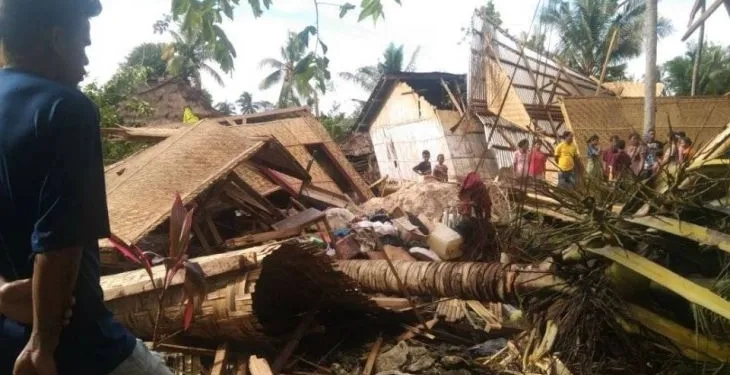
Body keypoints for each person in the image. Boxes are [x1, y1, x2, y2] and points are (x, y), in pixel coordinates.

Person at [0, 1, 173, 374]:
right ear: (56, 39)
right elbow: (59, 241)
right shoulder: (65, 108)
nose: (86, 58)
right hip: (76, 347)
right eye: (83, 41)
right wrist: (40, 345)